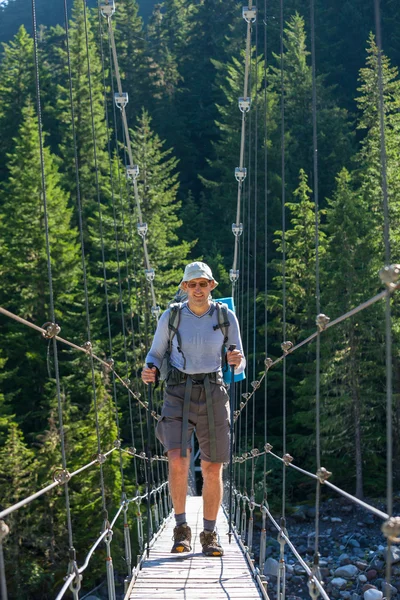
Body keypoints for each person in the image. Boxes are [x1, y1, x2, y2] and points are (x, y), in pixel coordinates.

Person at [141, 261, 245, 557]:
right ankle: (181, 528)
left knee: (213, 467)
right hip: (177, 391)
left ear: (212, 286)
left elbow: (241, 358)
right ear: (184, 287)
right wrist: (149, 370)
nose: (198, 289)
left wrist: (237, 361)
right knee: (177, 458)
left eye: (203, 284)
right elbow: (156, 353)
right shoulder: (171, 316)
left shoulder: (226, 317)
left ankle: (210, 534)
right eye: (192, 284)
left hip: (213, 391)